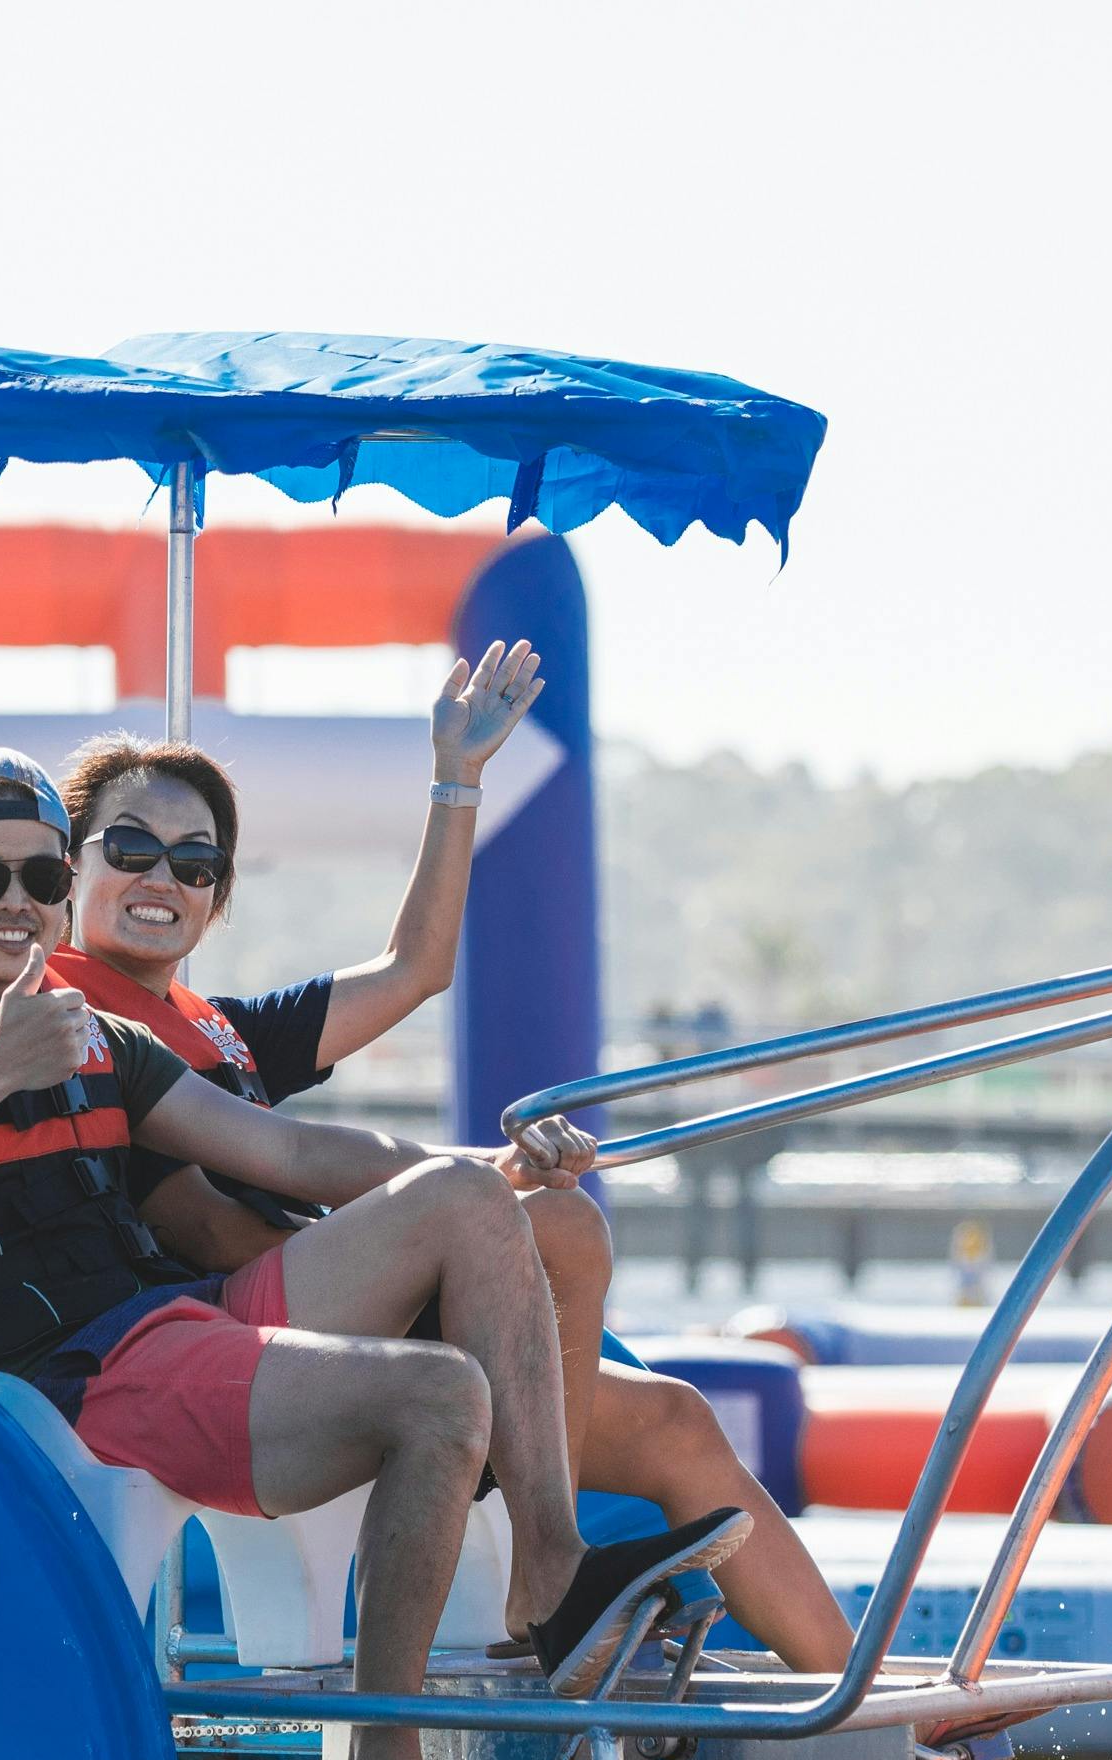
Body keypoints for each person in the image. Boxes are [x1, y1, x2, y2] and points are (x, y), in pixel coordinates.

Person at [0, 746, 752, 1760]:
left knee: (467, 1203)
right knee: (441, 1393)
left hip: (171, 1326)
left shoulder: (87, 1029)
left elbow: (290, 1151)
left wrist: (492, 1173)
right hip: (67, 1384)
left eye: (41, 882)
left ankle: (552, 1572)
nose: (19, 908)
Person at [43, 648, 858, 1671]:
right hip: (220, 1344)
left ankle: (876, 1721)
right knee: (520, 1213)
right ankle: (547, 1578)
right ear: (68, 864)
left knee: (671, 1417)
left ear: (220, 893)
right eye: (130, 847)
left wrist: (455, 779)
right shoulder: (67, 1025)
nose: (162, 879)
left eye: (194, 864)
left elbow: (413, 970)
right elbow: (207, 1225)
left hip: (354, 1289)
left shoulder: (222, 1030)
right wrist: (445, 1221)